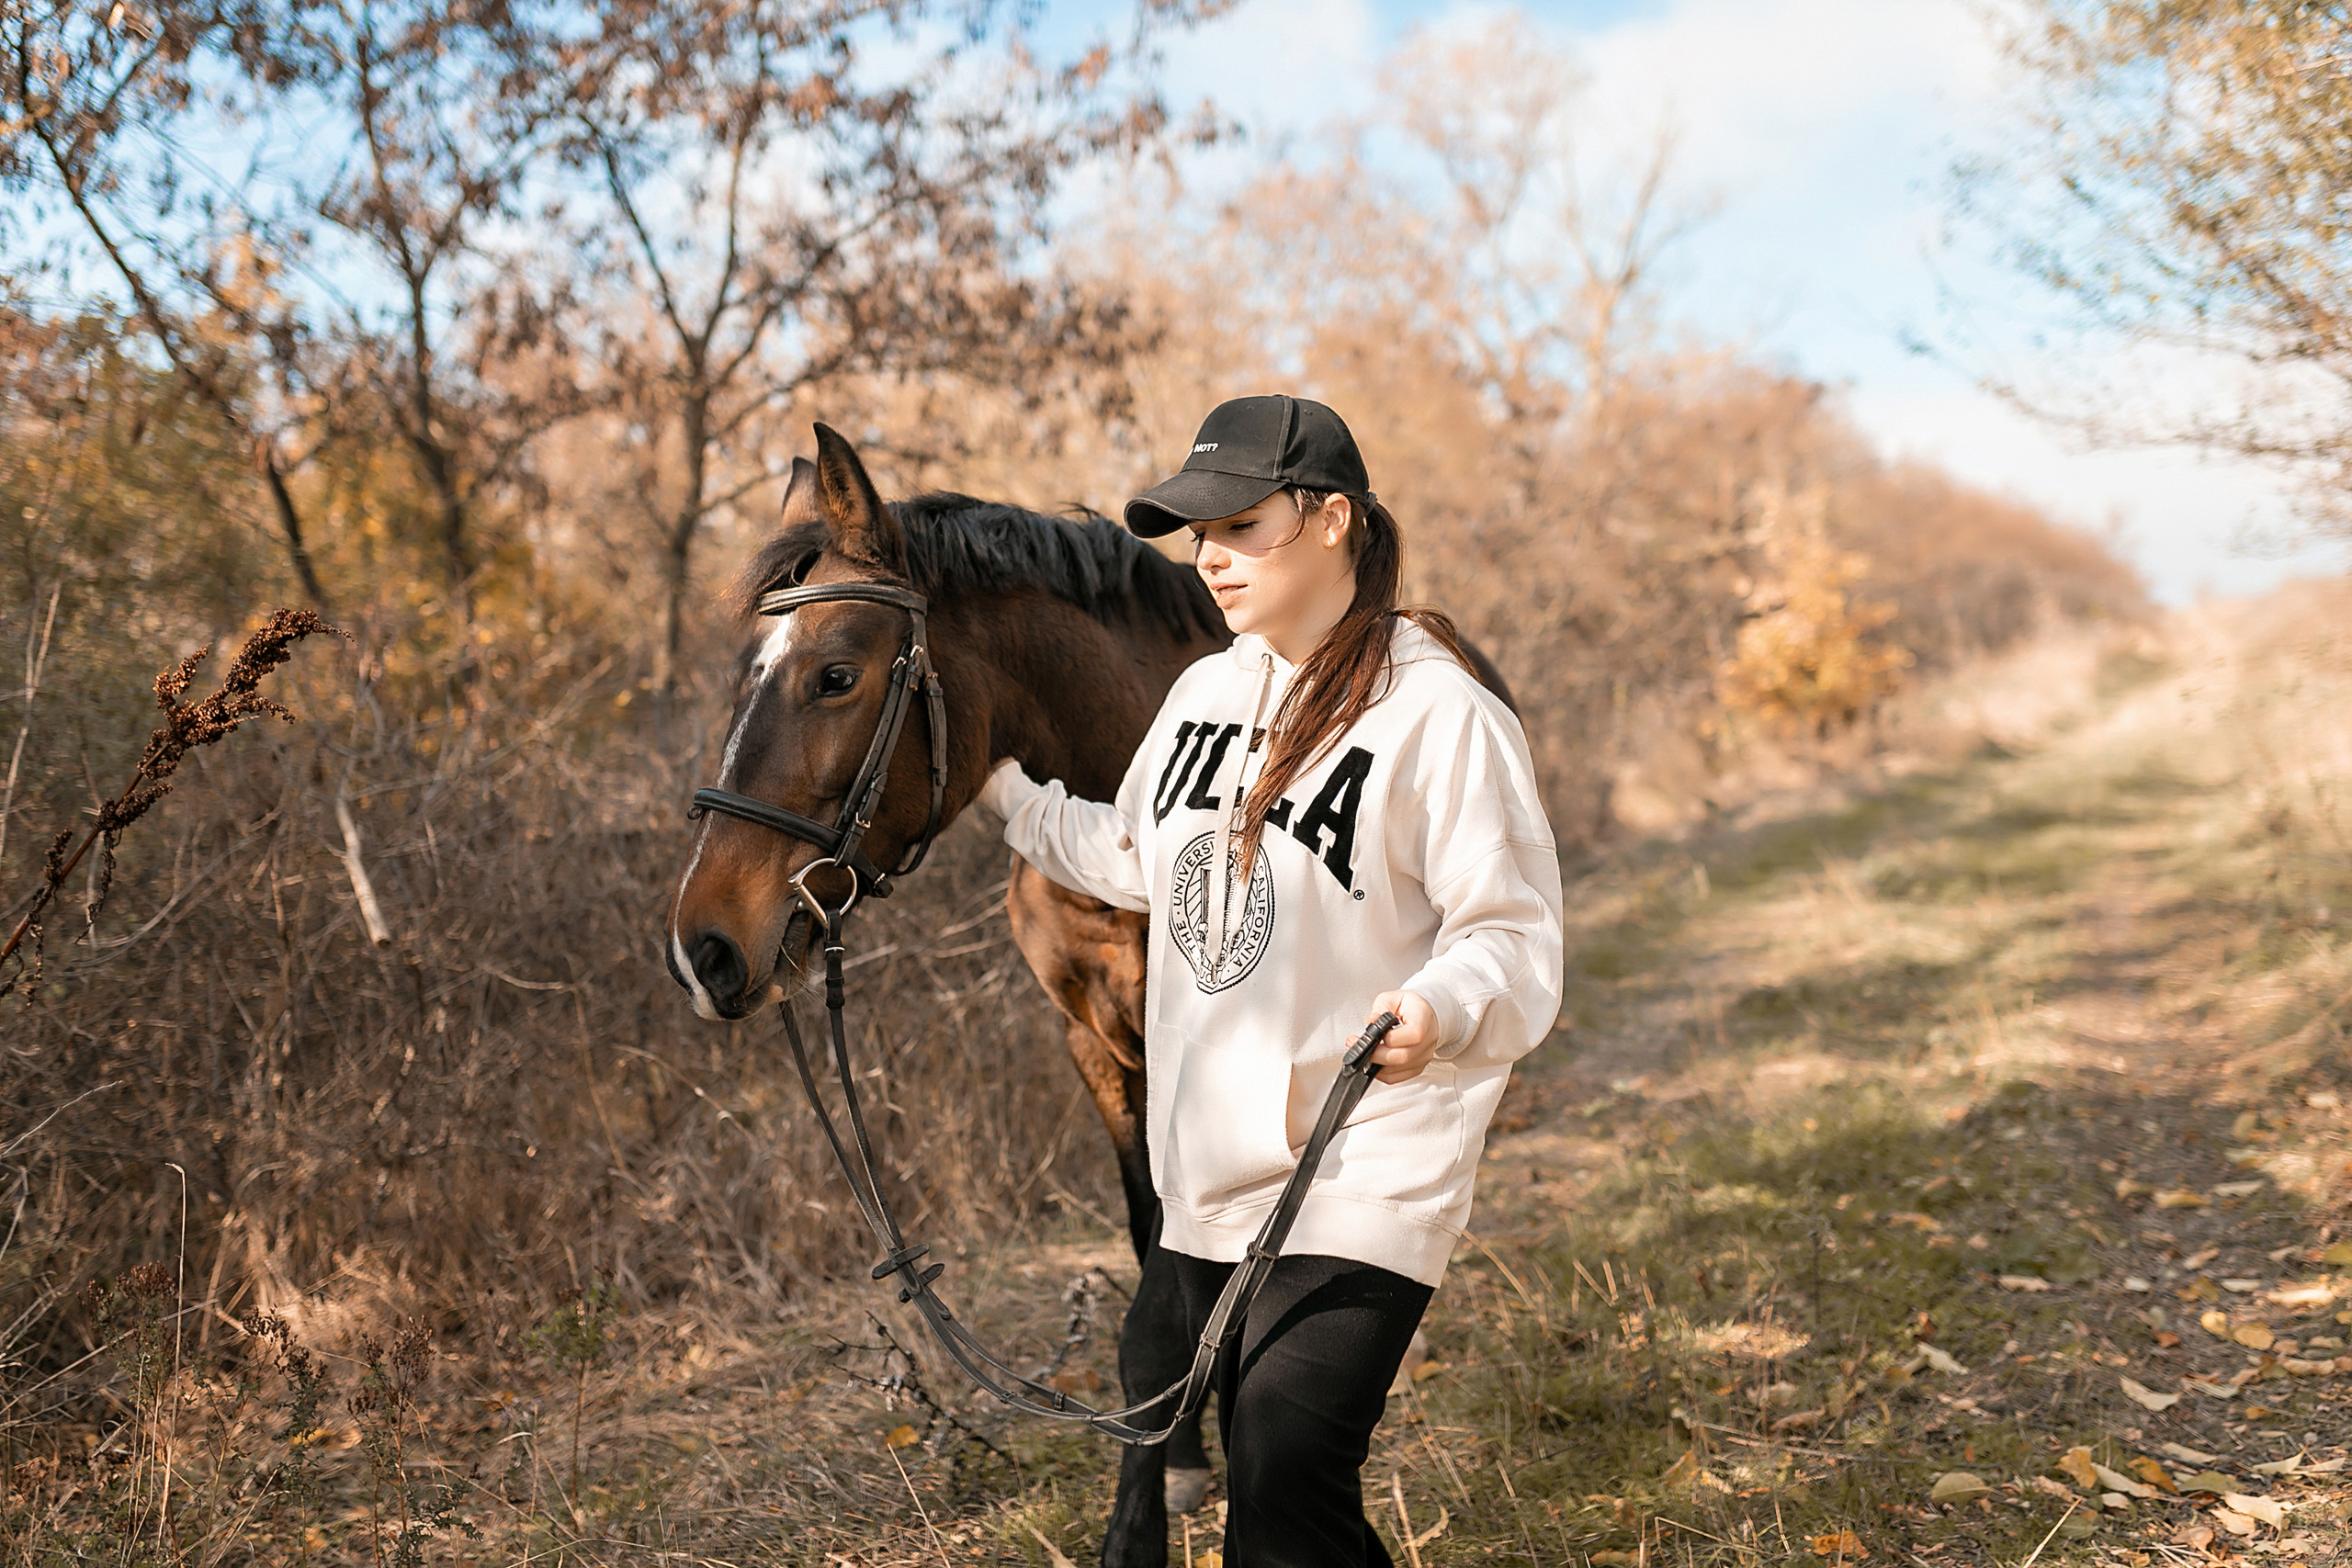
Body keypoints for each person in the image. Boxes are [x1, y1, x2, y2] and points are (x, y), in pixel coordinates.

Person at [978, 394, 1564, 1568]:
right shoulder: (1203, 695)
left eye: (1239, 525)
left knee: (1283, 1475)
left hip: (1363, 1162)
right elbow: (1137, 856)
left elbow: (1513, 937)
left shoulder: (1438, 711)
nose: (1207, 557)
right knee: (1288, 1505)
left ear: (1332, 518)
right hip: (1209, 1176)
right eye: (1197, 533)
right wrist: (1002, 793)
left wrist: (1436, 1008)